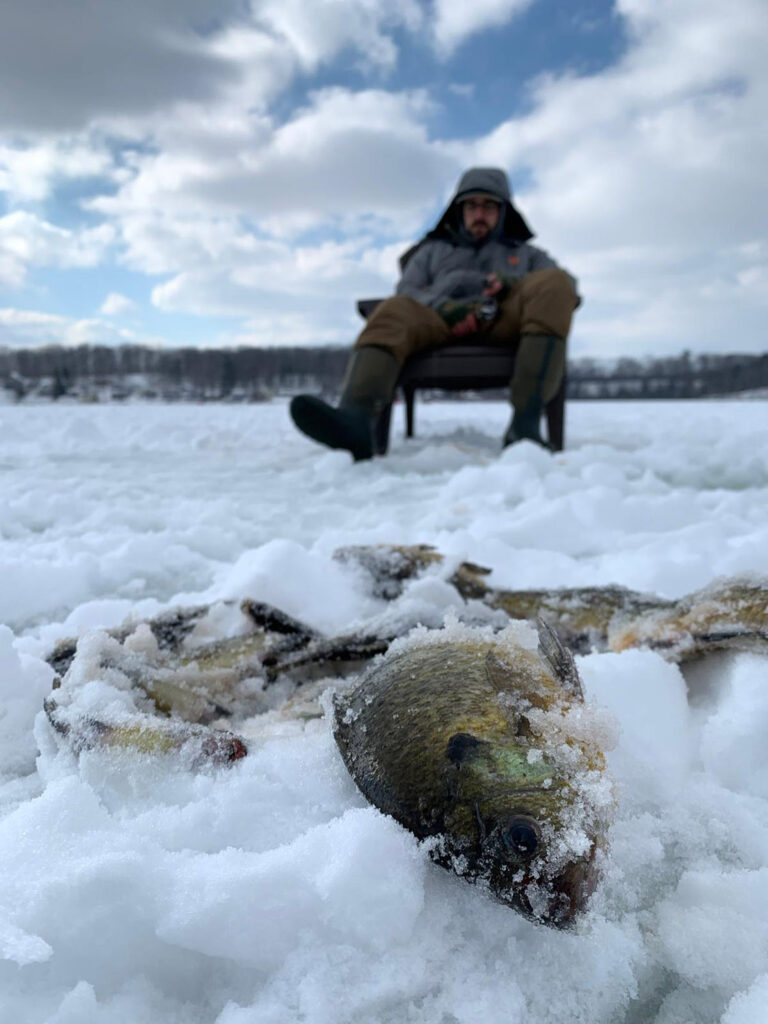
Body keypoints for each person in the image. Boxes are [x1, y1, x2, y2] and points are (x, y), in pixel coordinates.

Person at [290, 167, 579, 460]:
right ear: (459, 209)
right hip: (438, 322)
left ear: (504, 211)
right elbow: (407, 289)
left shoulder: (527, 254)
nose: (480, 213)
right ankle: (356, 420)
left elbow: (567, 286)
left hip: (502, 321)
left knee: (554, 283)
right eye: (471, 205)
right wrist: (445, 306)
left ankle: (524, 426)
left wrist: (511, 284)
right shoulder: (430, 251)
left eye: (489, 205)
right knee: (393, 308)